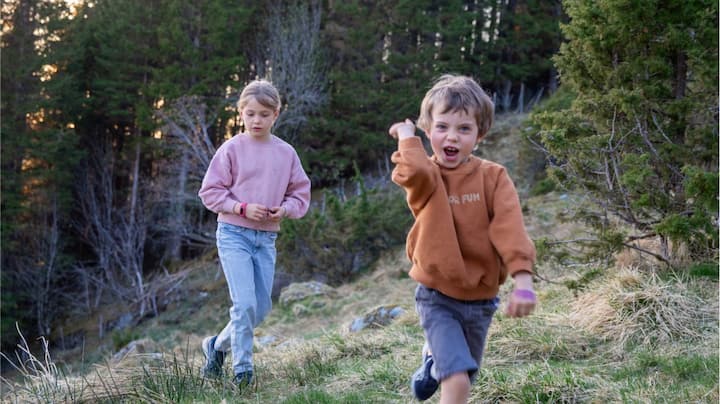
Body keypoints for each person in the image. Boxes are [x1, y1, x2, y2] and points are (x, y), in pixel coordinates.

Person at [388, 74, 537, 403]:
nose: (451, 137)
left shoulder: (493, 177)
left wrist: (523, 280)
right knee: (457, 382)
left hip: (482, 301)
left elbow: (509, 227)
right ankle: (438, 362)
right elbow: (412, 171)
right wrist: (406, 137)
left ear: (479, 135)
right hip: (437, 297)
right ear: (429, 131)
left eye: (464, 129)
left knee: (464, 373)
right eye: (441, 127)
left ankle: (430, 362)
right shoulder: (428, 177)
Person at [198, 79, 311, 387]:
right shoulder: (231, 149)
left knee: (260, 309)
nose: (256, 120)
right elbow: (209, 192)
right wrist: (241, 208)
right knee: (244, 304)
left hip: (266, 239)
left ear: (276, 114)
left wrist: (284, 210)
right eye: (250, 114)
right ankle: (243, 370)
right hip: (234, 234)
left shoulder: (286, 153)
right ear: (241, 114)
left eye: (264, 114)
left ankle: (215, 347)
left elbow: (300, 193)